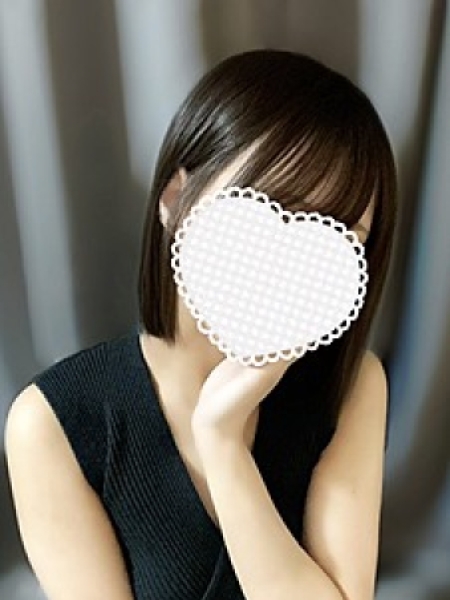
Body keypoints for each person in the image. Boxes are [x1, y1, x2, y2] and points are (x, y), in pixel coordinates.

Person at [5, 49, 397, 600]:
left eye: (337, 236)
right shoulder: (54, 422)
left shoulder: (350, 385)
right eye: (270, 206)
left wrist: (223, 443)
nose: (292, 260)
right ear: (175, 199)